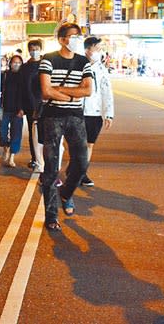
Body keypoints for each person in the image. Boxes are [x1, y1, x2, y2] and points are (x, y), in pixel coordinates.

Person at [39, 23, 92, 231]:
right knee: (51, 169)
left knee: (81, 163)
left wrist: (59, 89)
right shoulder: (48, 59)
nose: (77, 39)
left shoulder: (83, 62)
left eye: (79, 36)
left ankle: (67, 193)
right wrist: (71, 92)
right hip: (53, 118)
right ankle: (51, 216)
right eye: (72, 36)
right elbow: (45, 91)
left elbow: (88, 90)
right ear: (62, 39)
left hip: (76, 117)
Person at [80, 37, 114, 187]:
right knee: (78, 144)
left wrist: (109, 114)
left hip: (95, 113)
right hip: (78, 111)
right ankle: (76, 170)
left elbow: (107, 92)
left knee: (89, 144)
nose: (99, 52)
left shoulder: (101, 70)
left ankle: (82, 172)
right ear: (88, 49)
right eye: (97, 48)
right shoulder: (78, 65)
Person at [20, 40, 44, 172]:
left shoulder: (46, 64)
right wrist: (22, 106)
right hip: (30, 105)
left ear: (40, 49)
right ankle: (34, 158)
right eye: (32, 48)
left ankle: (45, 157)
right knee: (32, 133)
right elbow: (22, 88)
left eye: (37, 48)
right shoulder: (25, 67)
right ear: (29, 50)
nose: (34, 51)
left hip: (45, 104)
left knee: (45, 132)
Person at [0, 55, 24, 168]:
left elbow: (26, 93)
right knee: (2, 132)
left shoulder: (23, 76)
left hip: (18, 111)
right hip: (4, 109)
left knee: (16, 134)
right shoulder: (4, 75)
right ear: (10, 63)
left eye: (19, 62)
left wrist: (23, 109)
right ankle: (5, 148)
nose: (16, 64)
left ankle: (12, 157)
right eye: (14, 62)